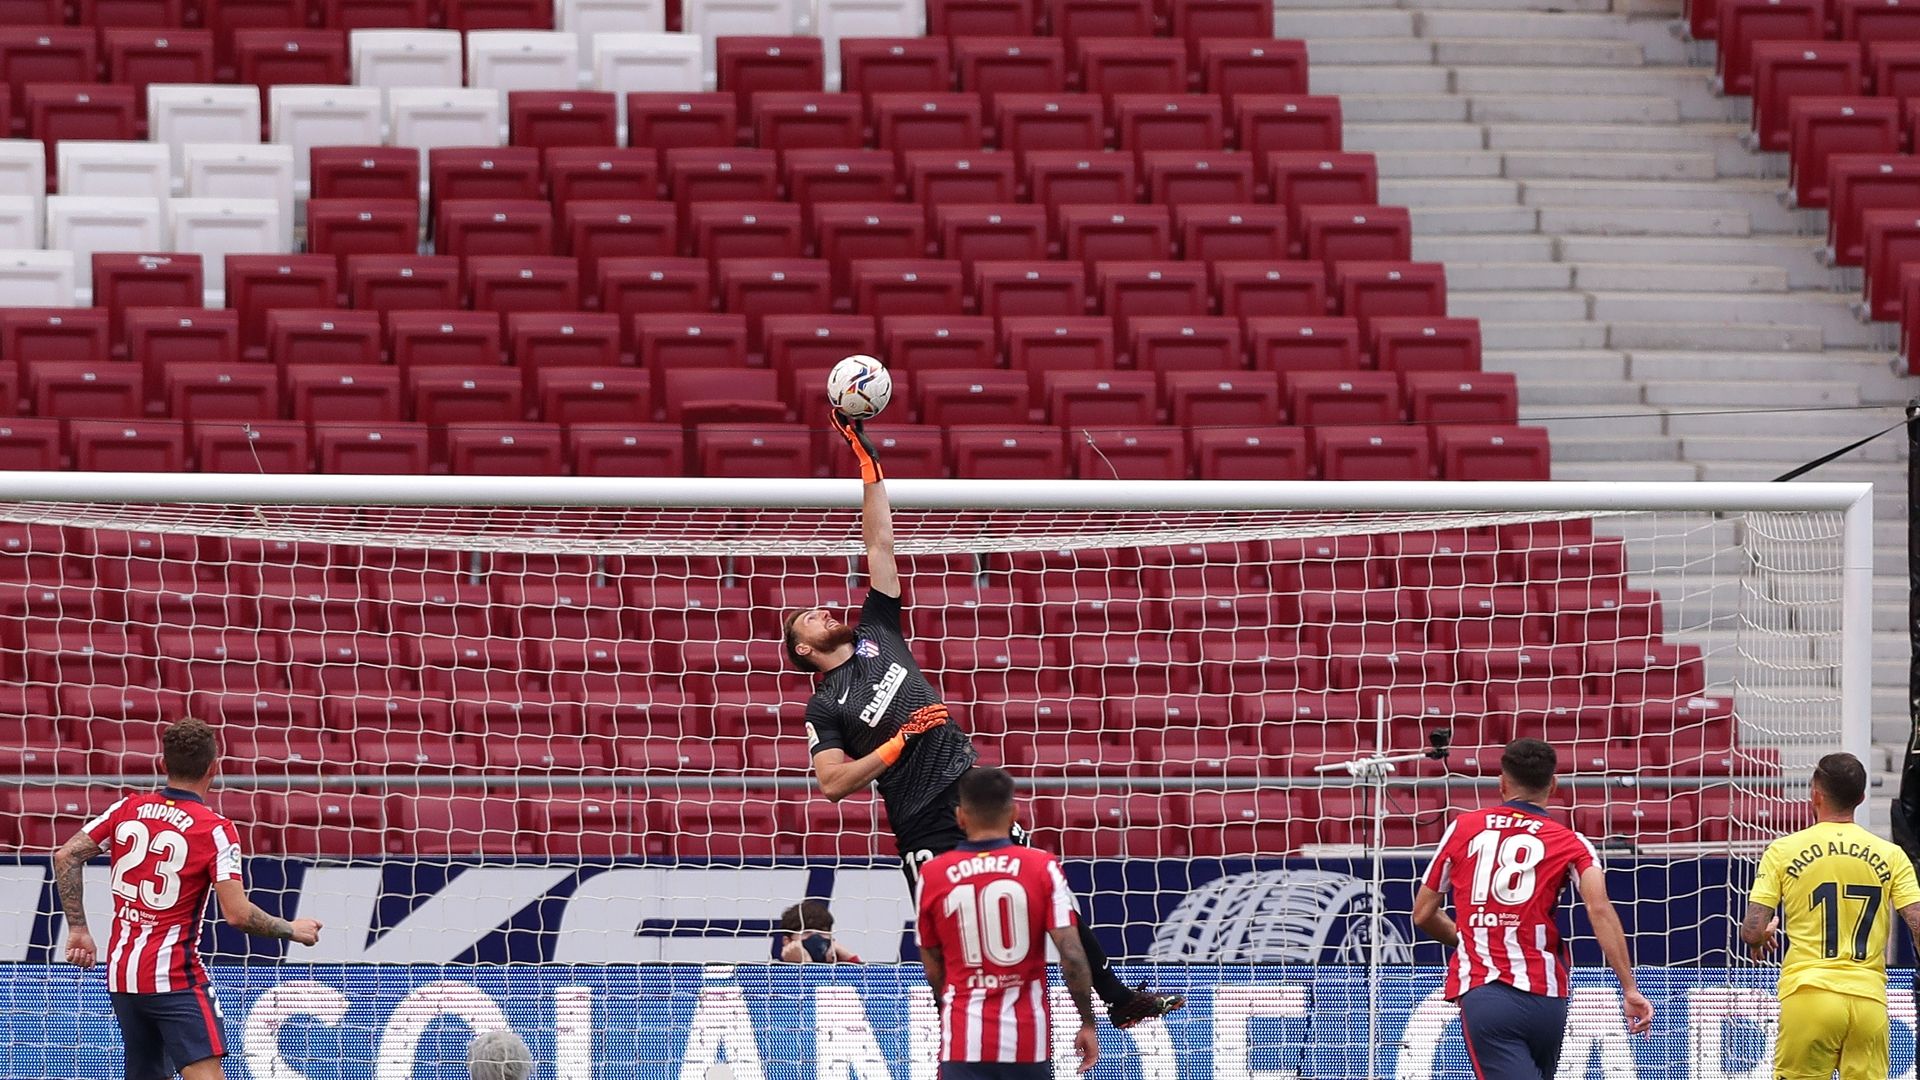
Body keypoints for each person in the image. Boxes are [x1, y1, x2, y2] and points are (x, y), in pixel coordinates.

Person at [783, 412, 1182, 1029]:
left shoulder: (875, 634)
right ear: (804, 651)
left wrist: (868, 467)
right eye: (806, 618)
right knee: (948, 936)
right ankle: (958, 1035)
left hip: (969, 791)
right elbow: (832, 785)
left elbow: (880, 543)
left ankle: (1114, 998)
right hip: (921, 820)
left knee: (1048, 893)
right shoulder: (824, 703)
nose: (820, 608)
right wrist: (900, 742)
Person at [54, 718, 323, 1080]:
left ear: (163, 765)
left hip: (122, 976)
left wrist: (79, 928)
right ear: (214, 768)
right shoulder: (215, 829)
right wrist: (292, 929)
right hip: (175, 979)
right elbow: (237, 914)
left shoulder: (126, 809)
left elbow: (66, 855)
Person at [1411, 738, 1652, 1080]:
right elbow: (1599, 909)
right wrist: (1629, 988)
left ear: (1502, 782)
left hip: (1487, 991)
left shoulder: (1463, 828)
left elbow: (1422, 914)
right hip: (1547, 998)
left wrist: (1468, 938)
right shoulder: (1572, 841)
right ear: (1553, 784)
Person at [1741, 752, 1920, 1080]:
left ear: (1815, 794)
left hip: (1810, 993)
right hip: (1868, 1000)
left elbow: (1752, 930)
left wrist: (1762, 935)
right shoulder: (1892, 855)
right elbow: (1917, 923)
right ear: (1862, 798)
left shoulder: (1783, 851)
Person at [916, 767, 1099, 1078]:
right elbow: (1071, 954)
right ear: (1014, 813)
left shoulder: (932, 874)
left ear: (960, 817)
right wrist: (1087, 1021)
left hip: (963, 1040)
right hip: (1027, 1042)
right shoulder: (1042, 867)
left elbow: (933, 967)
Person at [776, 900, 862, 963]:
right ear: (787, 941)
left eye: (822, 931)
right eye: (806, 931)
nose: (815, 936)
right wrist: (806, 965)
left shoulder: (842, 975)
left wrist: (850, 959)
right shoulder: (773, 975)